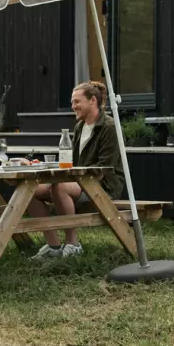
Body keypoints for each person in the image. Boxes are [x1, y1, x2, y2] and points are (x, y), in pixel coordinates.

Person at [29, 80, 125, 259]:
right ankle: (54, 246)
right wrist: (44, 165)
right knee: (31, 190)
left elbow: (104, 168)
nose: (73, 106)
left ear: (93, 100)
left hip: (103, 186)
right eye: (72, 102)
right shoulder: (80, 126)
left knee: (60, 187)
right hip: (80, 181)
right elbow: (71, 162)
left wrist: (71, 177)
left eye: (77, 101)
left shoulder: (109, 127)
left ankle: (73, 244)